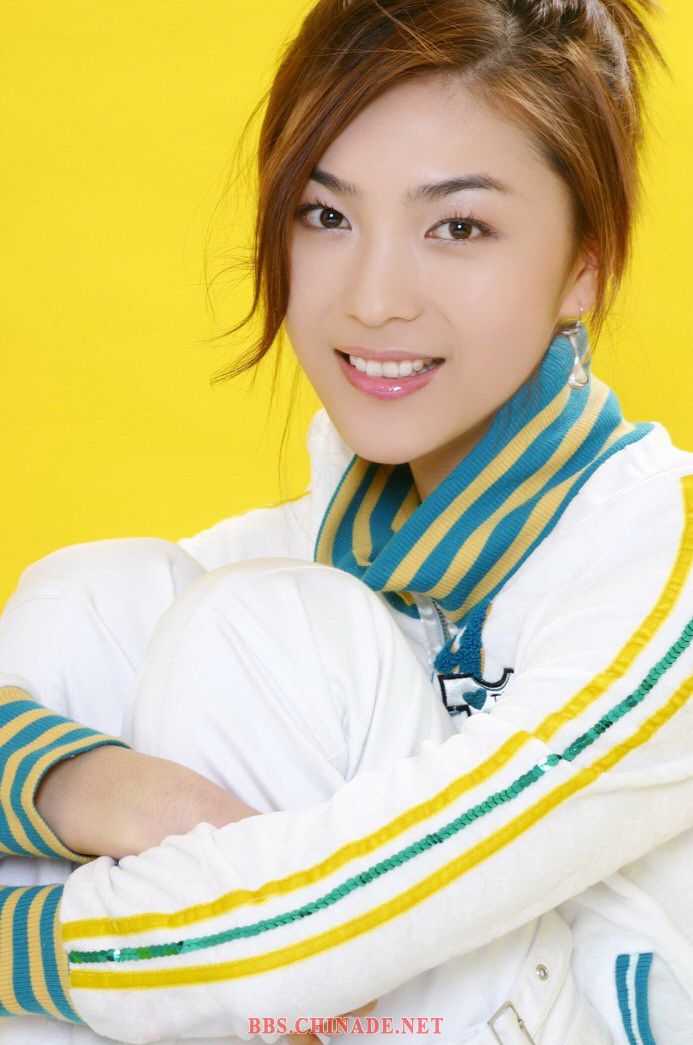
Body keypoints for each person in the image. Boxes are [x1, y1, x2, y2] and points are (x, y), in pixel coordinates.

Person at [1, 0, 692, 1043]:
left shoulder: (657, 554)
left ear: (584, 265)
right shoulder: (340, 533)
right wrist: (73, 783)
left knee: (263, 629)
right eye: (326, 215)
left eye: (458, 227)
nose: (372, 300)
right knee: (88, 599)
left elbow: (320, 932)